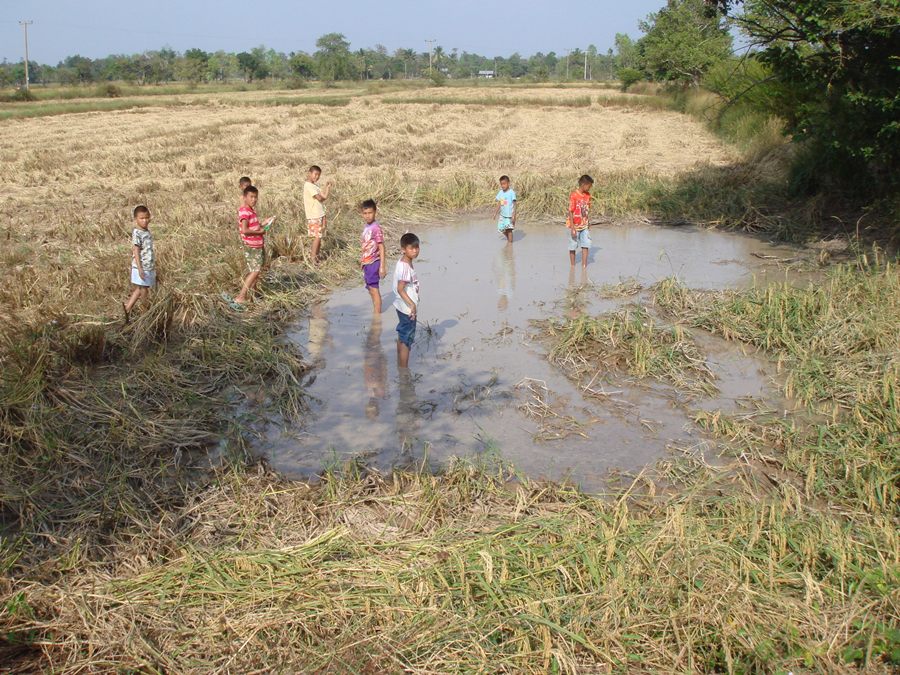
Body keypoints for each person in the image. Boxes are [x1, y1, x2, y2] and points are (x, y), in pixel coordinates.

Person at [227, 185, 273, 309]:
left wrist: (264, 223)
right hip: (252, 247)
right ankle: (241, 297)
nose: (254, 200)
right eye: (251, 197)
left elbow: (255, 226)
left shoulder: (251, 211)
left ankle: (253, 295)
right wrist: (261, 233)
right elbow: (245, 230)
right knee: (255, 271)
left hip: (258, 245)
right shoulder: (244, 211)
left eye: (256, 197)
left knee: (257, 271)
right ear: (245, 198)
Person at [122, 205, 156, 323]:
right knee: (144, 290)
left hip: (148, 266)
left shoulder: (146, 232)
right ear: (136, 219)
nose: (145, 220)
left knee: (141, 288)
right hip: (141, 266)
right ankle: (145, 312)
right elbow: (136, 251)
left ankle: (127, 308)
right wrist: (140, 269)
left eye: (147, 218)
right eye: (141, 218)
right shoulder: (137, 233)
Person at [393, 232, 420, 369]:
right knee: (407, 338)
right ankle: (404, 370)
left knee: (402, 334)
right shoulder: (405, 267)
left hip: (401, 306)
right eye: (411, 248)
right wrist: (412, 305)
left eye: (417, 247)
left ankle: (400, 364)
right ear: (403, 249)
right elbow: (400, 288)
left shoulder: (403, 262)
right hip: (407, 308)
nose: (415, 251)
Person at [359, 199, 387, 312]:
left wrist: (382, 266)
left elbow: (381, 246)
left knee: (374, 289)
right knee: (370, 288)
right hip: (367, 262)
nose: (367, 216)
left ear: (375, 212)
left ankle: (377, 317)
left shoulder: (376, 228)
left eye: (370, 213)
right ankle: (376, 309)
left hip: (374, 262)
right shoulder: (367, 227)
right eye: (365, 213)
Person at [302, 165, 332, 265]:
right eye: (315, 174)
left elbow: (324, 196)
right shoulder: (308, 185)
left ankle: (316, 257)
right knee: (317, 237)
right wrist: (322, 196)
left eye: (318, 175)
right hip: (314, 215)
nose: (317, 177)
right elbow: (320, 198)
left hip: (320, 214)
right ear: (309, 173)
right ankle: (313, 258)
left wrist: (327, 187)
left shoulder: (314, 186)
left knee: (320, 236)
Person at [567, 174, 594, 268]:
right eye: (589, 186)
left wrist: (588, 222)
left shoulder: (587, 196)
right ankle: (572, 266)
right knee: (572, 246)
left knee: (586, 245)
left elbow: (587, 210)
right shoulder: (574, 195)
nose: (589, 188)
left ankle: (584, 266)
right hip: (575, 225)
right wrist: (572, 228)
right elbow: (570, 211)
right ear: (583, 184)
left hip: (584, 225)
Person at [494, 175, 517, 243]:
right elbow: (500, 203)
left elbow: (515, 204)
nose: (503, 185)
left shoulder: (511, 192)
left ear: (508, 183)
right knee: (501, 229)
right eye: (501, 184)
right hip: (502, 215)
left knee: (509, 230)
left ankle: (510, 244)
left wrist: (514, 215)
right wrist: (495, 213)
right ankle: (509, 240)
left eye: (504, 184)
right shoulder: (501, 192)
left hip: (509, 215)